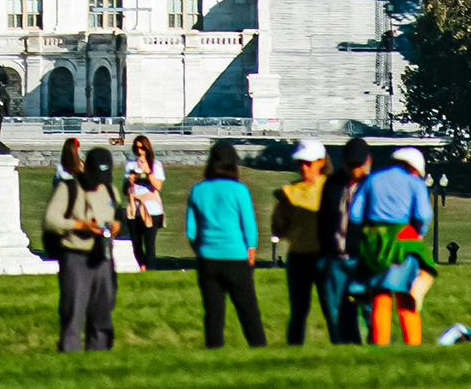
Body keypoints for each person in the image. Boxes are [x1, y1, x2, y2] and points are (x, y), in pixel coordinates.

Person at [348, 146, 436, 346]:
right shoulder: (414, 183)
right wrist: (418, 232)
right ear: (414, 168)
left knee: (380, 295)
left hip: (374, 241)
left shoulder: (371, 180)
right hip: (403, 238)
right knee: (407, 295)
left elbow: (354, 214)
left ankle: (380, 345)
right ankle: (412, 344)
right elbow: (423, 215)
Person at [184, 142, 265, 349]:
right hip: (236, 257)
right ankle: (259, 350)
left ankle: (214, 354)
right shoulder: (239, 189)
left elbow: (191, 231)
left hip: (208, 259)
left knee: (213, 314)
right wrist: (251, 250)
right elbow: (249, 225)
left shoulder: (197, 190)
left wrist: (201, 250)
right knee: (249, 312)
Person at [43, 146, 121, 351]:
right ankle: (70, 357)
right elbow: (51, 220)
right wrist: (80, 225)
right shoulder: (69, 188)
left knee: (103, 314)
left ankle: (99, 356)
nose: (99, 181)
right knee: (73, 313)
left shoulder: (109, 189)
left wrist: (116, 226)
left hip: (103, 256)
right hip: (76, 256)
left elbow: (116, 214)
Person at [316, 137, 371, 344]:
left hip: (363, 259)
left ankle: (375, 349)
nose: (355, 170)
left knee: (369, 311)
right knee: (336, 313)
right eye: (351, 165)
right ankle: (344, 349)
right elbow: (323, 221)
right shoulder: (332, 184)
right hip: (335, 260)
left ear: (367, 161)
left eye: (358, 165)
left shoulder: (371, 185)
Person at [272, 138, 327, 344]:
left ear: (321, 161)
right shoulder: (289, 192)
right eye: (300, 163)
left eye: (308, 162)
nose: (303, 167)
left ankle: (342, 349)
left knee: (331, 308)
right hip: (299, 258)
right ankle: (294, 351)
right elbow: (278, 229)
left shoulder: (330, 188)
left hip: (324, 256)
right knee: (298, 312)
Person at [123, 134, 166, 272]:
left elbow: (158, 186)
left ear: (147, 149)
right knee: (135, 243)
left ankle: (151, 270)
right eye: (136, 148)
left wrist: (148, 173)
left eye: (142, 148)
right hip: (135, 207)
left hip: (151, 208)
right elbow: (125, 190)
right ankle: (142, 266)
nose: (140, 151)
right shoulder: (130, 165)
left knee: (149, 243)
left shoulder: (156, 165)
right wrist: (130, 180)